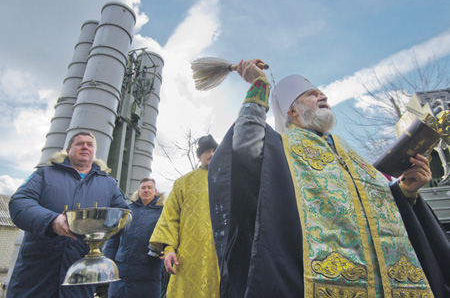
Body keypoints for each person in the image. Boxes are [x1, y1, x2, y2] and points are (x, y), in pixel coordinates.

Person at [208, 59, 450, 298]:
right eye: (312, 94)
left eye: (321, 93)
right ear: (292, 111)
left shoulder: (352, 156)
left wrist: (407, 190)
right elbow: (243, 143)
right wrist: (259, 84)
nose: (322, 95)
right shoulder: (279, 149)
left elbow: (380, 205)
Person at [7, 131, 129, 298]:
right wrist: (53, 221)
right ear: (68, 149)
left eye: (90, 144)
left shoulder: (109, 184)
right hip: (36, 274)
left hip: (81, 275)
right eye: (79, 143)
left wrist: (104, 228)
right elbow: (19, 203)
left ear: (94, 152)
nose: (85, 146)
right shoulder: (44, 174)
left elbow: (124, 216)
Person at [150, 135, 220, 298]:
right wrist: (168, 250)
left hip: (223, 257)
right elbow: (170, 218)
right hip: (188, 258)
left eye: (214, 150)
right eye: (206, 151)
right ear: (200, 155)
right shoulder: (183, 182)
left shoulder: (231, 180)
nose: (211, 154)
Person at [104, 177, 164, 298]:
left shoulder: (163, 213)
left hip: (149, 269)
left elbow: (169, 235)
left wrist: (167, 250)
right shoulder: (127, 210)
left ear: (155, 191)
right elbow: (114, 237)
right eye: (143, 188)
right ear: (139, 191)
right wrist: (108, 262)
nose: (146, 190)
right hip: (122, 268)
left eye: (149, 187)